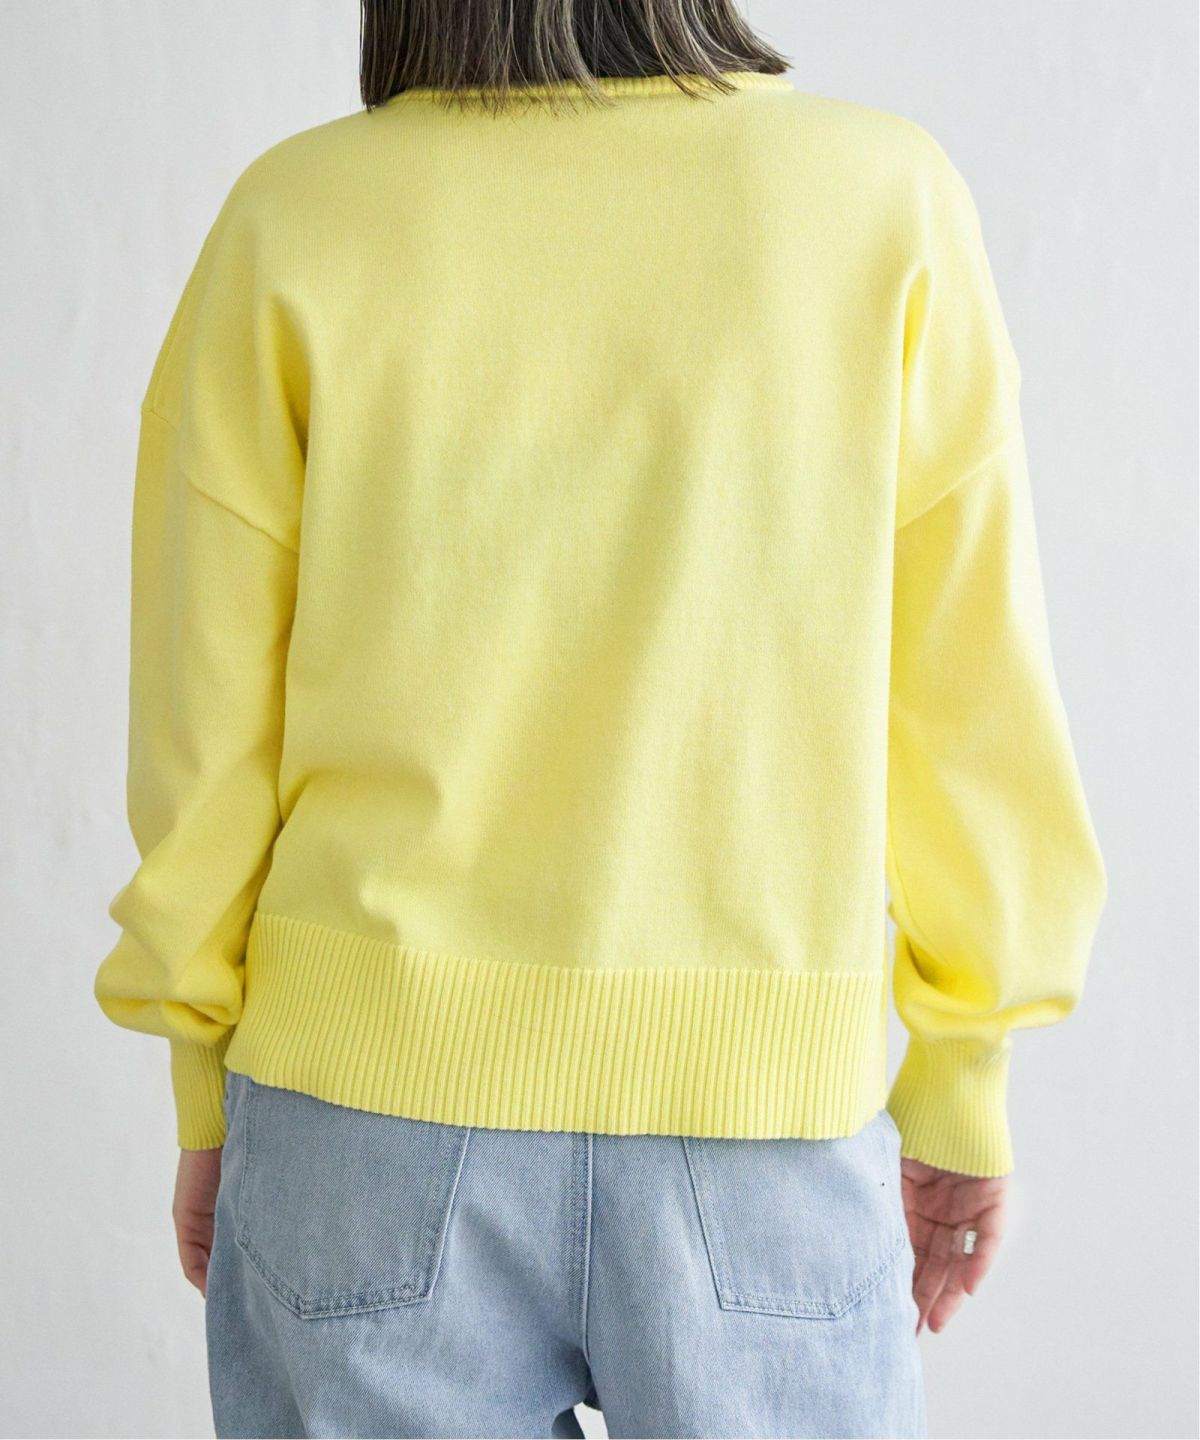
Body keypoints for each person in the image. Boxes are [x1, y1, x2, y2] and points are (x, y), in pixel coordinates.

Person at [93, 2, 1108, 1436]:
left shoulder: (297, 215)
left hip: (360, 1121)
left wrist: (203, 1074)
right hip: (762, 1124)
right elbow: (969, 693)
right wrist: (963, 1068)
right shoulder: (881, 201)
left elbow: (201, 713)